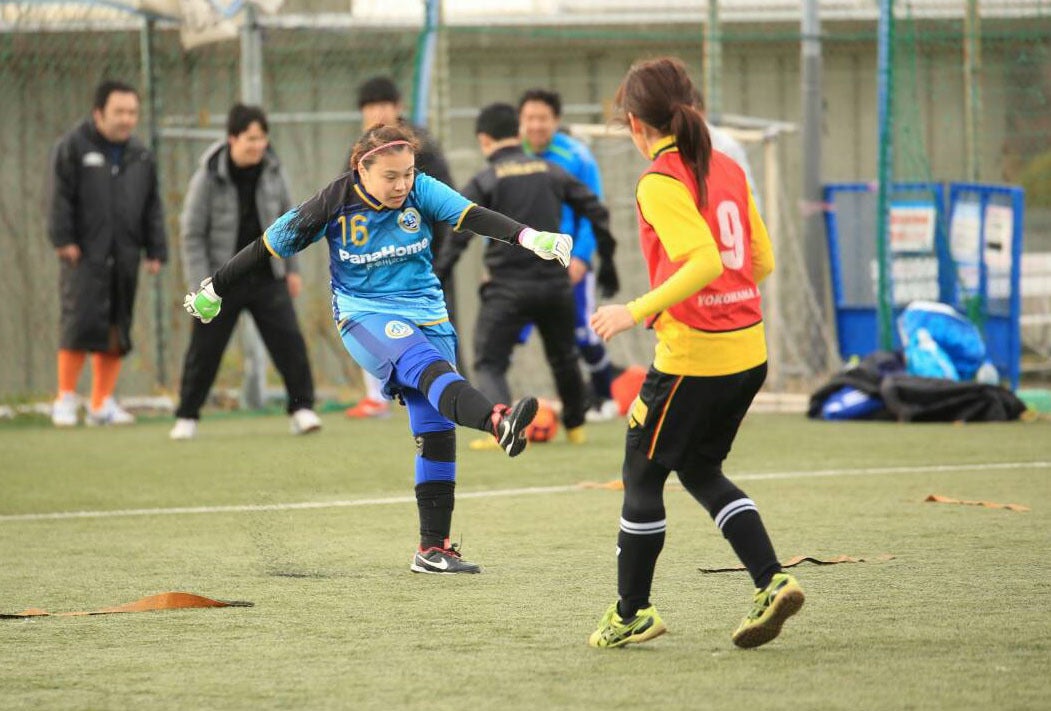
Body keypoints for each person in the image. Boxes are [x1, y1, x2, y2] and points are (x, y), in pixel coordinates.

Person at [183, 123, 572, 574]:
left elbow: (471, 215)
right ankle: (496, 420)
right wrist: (214, 288)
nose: (402, 184)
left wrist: (532, 238)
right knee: (426, 366)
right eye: (390, 176)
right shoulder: (331, 203)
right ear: (361, 169)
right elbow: (264, 247)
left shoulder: (421, 189)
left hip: (428, 311)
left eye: (407, 173)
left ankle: (433, 549)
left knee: (435, 427)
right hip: (365, 315)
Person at [586, 57, 804, 649]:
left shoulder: (659, 181)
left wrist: (635, 309)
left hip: (694, 358)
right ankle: (772, 580)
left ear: (635, 124)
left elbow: (704, 260)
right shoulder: (727, 166)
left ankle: (632, 612)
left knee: (641, 472)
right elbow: (760, 262)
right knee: (701, 469)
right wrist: (712, 297)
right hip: (749, 351)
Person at [435, 102, 617, 449]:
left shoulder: (486, 179)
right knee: (564, 357)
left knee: (489, 360)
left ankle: (500, 426)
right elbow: (595, 209)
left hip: (507, 289)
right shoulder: (552, 171)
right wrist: (607, 262)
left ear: (484, 140)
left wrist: (438, 276)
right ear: (518, 133)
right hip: (555, 285)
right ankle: (575, 429)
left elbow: (458, 232)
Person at [170, 104, 321, 441]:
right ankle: (187, 416)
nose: (257, 146)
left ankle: (302, 410)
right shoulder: (208, 176)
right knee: (204, 350)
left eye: (262, 138)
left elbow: (291, 222)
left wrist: (292, 269)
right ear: (232, 139)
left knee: (290, 343)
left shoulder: (273, 171)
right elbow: (192, 233)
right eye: (250, 139)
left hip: (268, 275)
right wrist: (201, 285)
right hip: (221, 281)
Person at [48, 79, 167, 427]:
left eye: (132, 112)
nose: (127, 119)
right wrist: (63, 239)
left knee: (117, 329)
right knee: (79, 323)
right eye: (119, 112)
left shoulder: (141, 155)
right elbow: (57, 197)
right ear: (99, 113)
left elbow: (152, 206)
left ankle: (101, 404)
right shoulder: (72, 147)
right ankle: (65, 399)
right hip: (84, 255)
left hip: (125, 254)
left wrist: (155, 248)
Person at [345, 76, 459, 420]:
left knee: (438, 334)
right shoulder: (359, 155)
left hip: (423, 261)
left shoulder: (420, 149)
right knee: (368, 323)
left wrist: (440, 261)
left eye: (383, 105)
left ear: (397, 108)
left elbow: (446, 206)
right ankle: (377, 397)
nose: (377, 113)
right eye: (369, 107)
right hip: (376, 263)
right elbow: (344, 207)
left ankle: (452, 396)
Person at [518, 88, 621, 422]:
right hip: (523, 266)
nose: (536, 125)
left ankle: (604, 396)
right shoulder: (512, 157)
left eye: (542, 118)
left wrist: (581, 257)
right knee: (503, 338)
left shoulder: (577, 156)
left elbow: (593, 211)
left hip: (568, 263)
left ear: (556, 120)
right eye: (529, 118)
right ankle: (498, 409)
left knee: (581, 333)